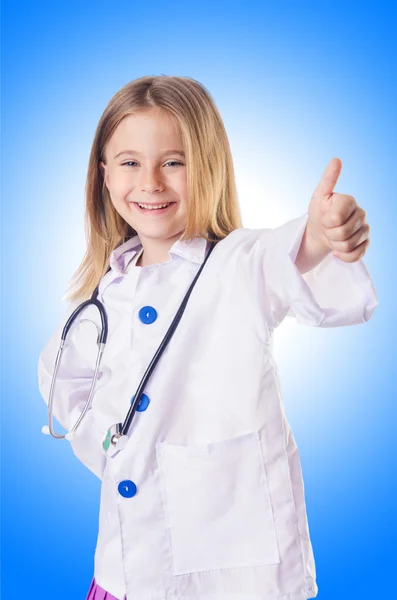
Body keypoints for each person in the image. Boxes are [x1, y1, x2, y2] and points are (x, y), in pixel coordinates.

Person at [37, 75, 378, 600]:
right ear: (103, 175)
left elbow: (288, 254)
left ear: (210, 168)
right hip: (124, 571)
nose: (150, 182)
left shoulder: (237, 264)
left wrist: (324, 233)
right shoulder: (102, 296)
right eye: (130, 163)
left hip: (234, 578)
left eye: (174, 162)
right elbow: (63, 381)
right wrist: (114, 447)